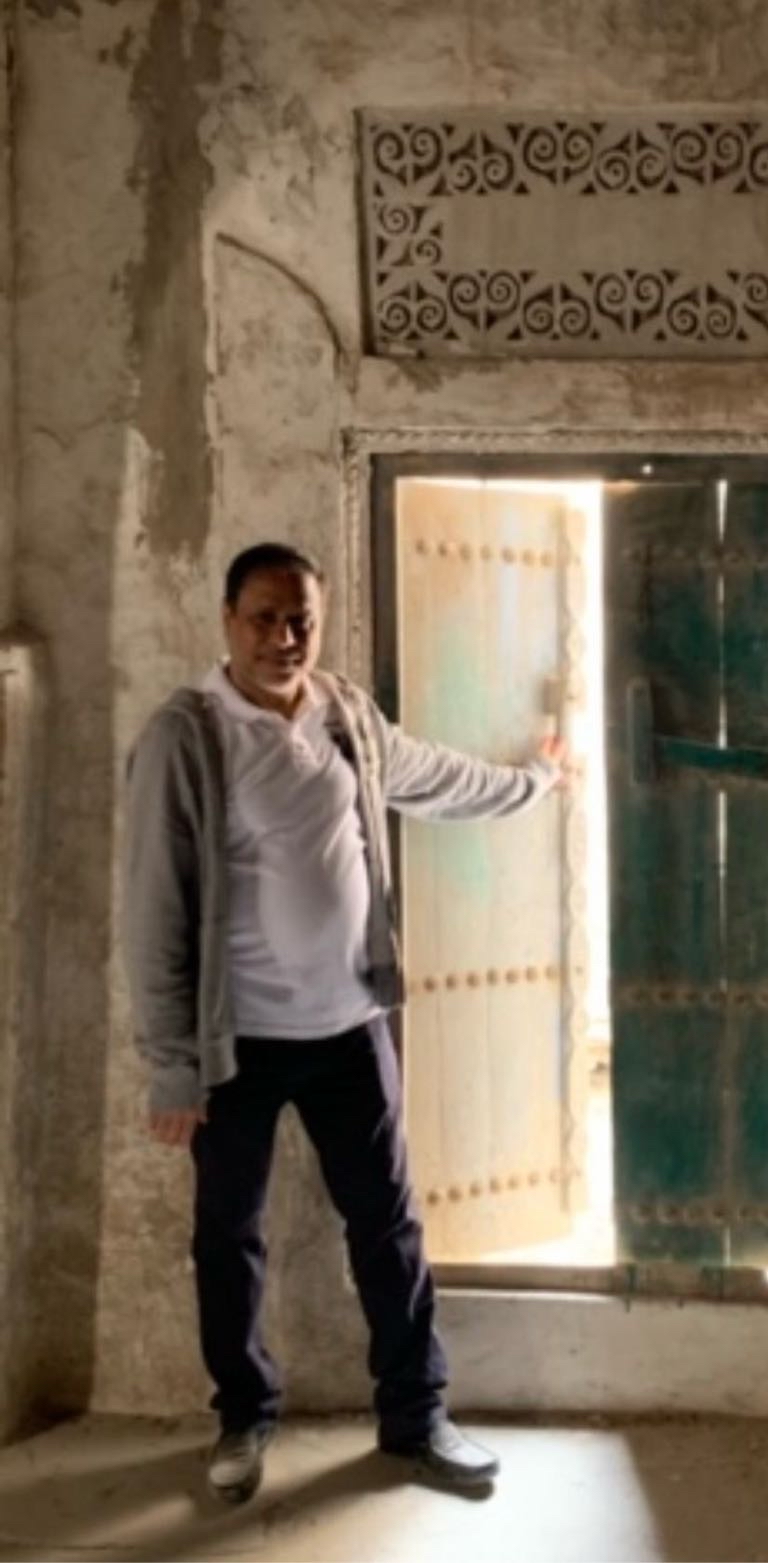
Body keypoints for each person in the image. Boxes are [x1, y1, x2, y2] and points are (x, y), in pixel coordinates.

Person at [122, 541, 565, 1503]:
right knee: (228, 1235)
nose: (285, 637)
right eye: (265, 618)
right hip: (238, 1042)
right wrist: (171, 1065)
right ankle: (244, 1417)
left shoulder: (345, 714)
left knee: (388, 1226)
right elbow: (154, 908)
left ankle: (417, 1415)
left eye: (302, 620)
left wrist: (532, 781)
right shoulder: (186, 735)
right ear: (227, 620)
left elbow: (432, 776)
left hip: (350, 1029)